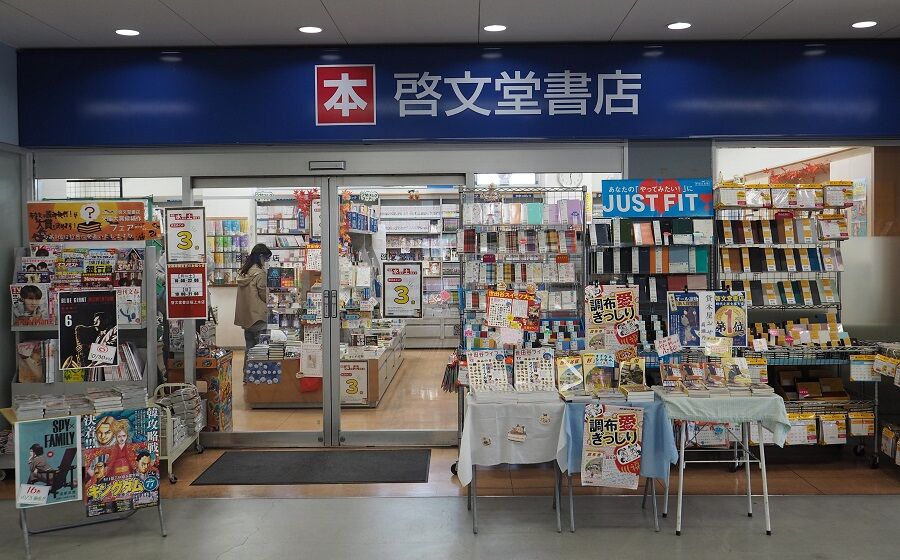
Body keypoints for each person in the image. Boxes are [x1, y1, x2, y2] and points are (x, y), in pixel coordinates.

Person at [235, 243, 272, 352]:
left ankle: (248, 364)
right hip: (258, 317)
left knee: (249, 349)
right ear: (260, 256)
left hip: (246, 318)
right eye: (266, 258)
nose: (266, 261)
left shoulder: (243, 272)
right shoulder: (260, 274)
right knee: (262, 351)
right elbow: (264, 295)